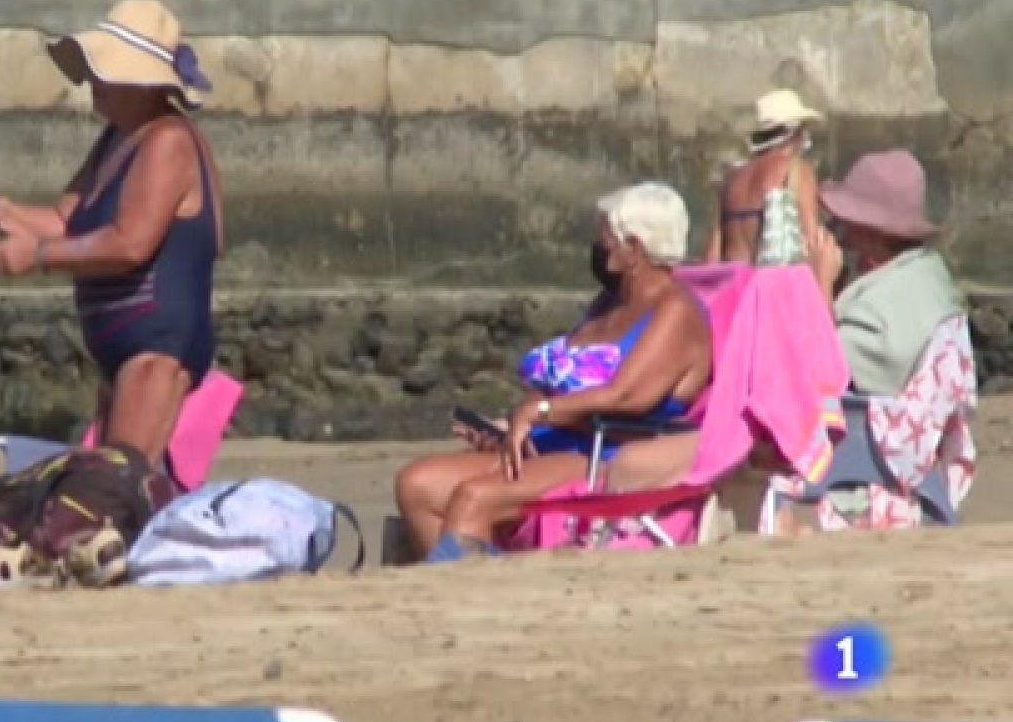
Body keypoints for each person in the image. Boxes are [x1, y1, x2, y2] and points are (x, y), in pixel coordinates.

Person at [0, 0, 221, 473]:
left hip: (156, 345)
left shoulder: (168, 140)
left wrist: (39, 256)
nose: (94, 82)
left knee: (113, 494)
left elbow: (130, 244)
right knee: (102, 493)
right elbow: (66, 219)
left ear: (144, 83)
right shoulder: (120, 137)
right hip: (124, 346)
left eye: (106, 72)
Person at [395, 182, 713, 561]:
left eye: (608, 234)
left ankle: (469, 605)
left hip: (608, 451)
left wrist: (540, 413)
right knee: (417, 485)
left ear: (635, 249)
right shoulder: (609, 304)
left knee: (474, 497)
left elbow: (626, 395)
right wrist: (512, 424)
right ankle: (470, 580)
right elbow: (558, 378)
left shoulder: (674, 311)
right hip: (556, 440)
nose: (600, 243)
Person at [806, 149, 961, 396]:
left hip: (867, 430)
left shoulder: (876, 314)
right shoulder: (929, 272)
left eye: (845, 223)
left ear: (870, 231)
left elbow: (820, 367)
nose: (838, 232)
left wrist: (820, 284)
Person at [705, 89, 824, 266]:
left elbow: (711, 258)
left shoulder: (732, 179)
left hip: (736, 287)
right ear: (794, 133)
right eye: (803, 130)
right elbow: (812, 243)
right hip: (775, 286)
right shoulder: (796, 171)